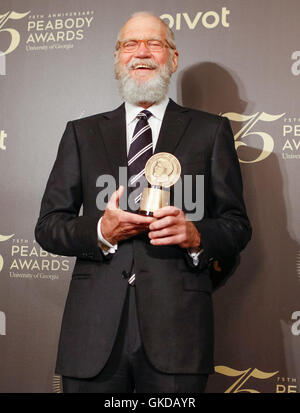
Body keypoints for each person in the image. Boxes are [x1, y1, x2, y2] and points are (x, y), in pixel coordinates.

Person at [35, 11, 252, 393]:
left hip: (178, 333)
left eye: (154, 42)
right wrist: (101, 229)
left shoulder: (211, 131)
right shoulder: (81, 133)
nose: (142, 52)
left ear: (173, 57)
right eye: (130, 43)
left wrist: (195, 234)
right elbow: (49, 225)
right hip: (93, 335)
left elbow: (236, 224)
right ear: (117, 58)